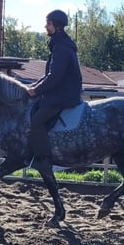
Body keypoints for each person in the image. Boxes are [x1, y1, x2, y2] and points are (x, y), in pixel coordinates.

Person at [26, 9, 83, 172]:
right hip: (61, 92)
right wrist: (34, 86)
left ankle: (43, 159)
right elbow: (49, 75)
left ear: (57, 26)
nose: (45, 26)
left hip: (63, 95)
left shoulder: (62, 47)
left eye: (48, 23)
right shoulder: (60, 44)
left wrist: (36, 91)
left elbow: (55, 77)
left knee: (37, 121)